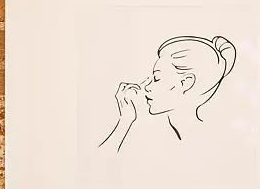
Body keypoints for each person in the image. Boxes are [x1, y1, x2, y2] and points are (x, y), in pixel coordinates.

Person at [101, 34, 237, 152]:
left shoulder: (204, 142)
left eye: (156, 78)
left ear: (185, 83)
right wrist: (126, 119)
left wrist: (125, 121)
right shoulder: (160, 134)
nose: (145, 86)